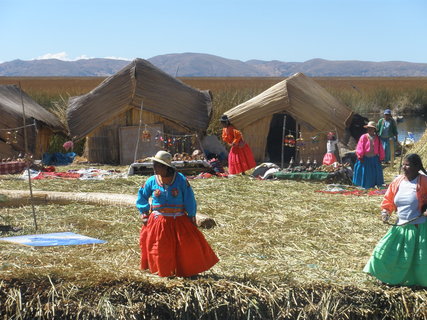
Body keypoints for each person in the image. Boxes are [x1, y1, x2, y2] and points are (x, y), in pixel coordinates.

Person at [136, 150, 219, 277]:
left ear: (166, 167)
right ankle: (163, 272)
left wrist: (192, 216)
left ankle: (184, 271)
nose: (154, 167)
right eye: (154, 164)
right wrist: (144, 213)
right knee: (160, 249)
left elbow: (189, 198)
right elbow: (142, 195)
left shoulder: (180, 180)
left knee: (185, 247)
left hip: (178, 219)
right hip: (158, 221)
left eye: (157, 165)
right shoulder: (151, 181)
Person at [363, 153, 427, 287]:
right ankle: (386, 276)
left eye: (407, 165)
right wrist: (385, 212)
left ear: (417, 167)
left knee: (418, 259)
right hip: (400, 225)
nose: (404, 167)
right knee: (384, 252)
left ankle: (415, 282)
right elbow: (389, 199)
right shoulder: (398, 181)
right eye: (403, 164)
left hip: (419, 227)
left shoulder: (424, 181)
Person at [352, 121, 385, 189]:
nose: (370, 129)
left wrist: (381, 157)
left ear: (374, 129)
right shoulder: (363, 137)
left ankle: (374, 184)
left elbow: (380, 148)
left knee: (374, 173)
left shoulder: (377, 138)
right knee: (365, 172)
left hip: (374, 158)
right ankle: (364, 185)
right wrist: (360, 156)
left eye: (371, 128)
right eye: (368, 128)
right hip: (365, 158)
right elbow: (360, 146)